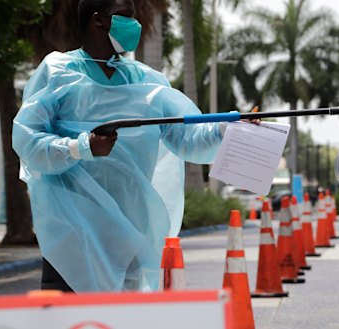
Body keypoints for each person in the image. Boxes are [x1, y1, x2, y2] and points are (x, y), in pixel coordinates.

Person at [12, 0, 229, 292]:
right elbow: (29, 143)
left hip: (130, 233)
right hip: (73, 230)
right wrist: (82, 146)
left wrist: (227, 130)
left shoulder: (147, 82)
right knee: (71, 320)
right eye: (126, 16)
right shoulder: (57, 71)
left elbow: (186, 139)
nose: (136, 25)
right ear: (99, 20)